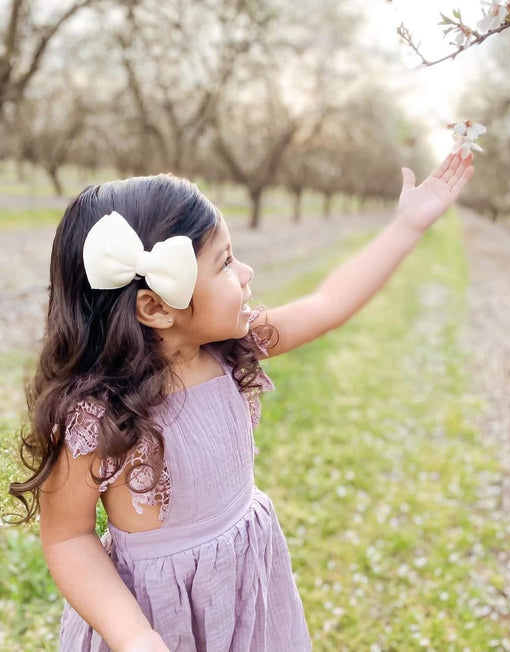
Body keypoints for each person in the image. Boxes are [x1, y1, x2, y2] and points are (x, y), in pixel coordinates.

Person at [9, 152, 473, 652]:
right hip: (155, 617)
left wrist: (408, 224)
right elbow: (67, 537)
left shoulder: (233, 350)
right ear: (156, 307)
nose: (247, 272)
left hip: (247, 588)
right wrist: (135, 637)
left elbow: (328, 304)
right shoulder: (94, 415)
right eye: (225, 262)